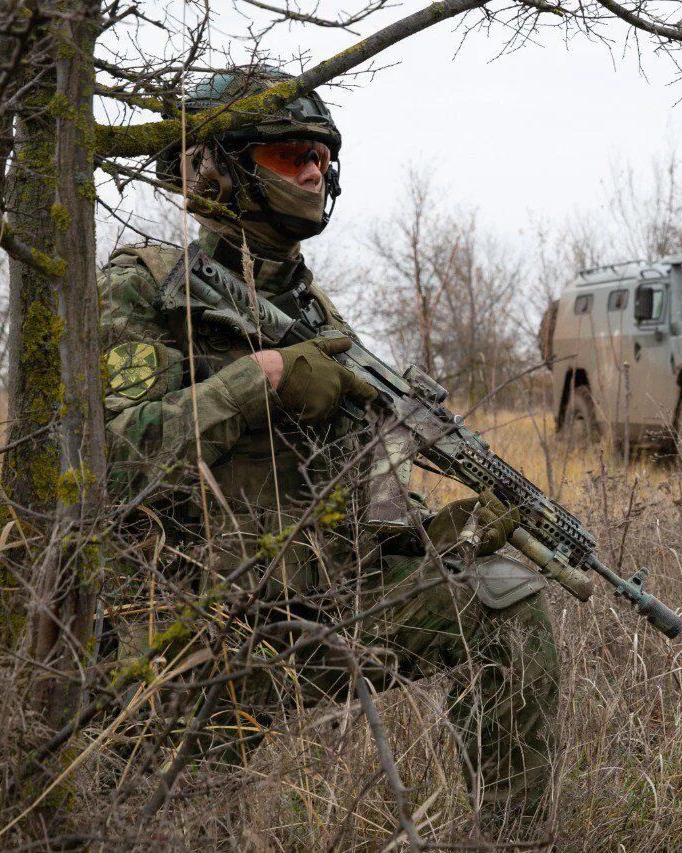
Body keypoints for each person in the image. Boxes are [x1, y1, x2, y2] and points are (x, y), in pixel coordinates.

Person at [98, 66, 558, 825]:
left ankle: (513, 839)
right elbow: (114, 464)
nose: (312, 173)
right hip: (193, 629)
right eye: (288, 155)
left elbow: (362, 469)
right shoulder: (144, 287)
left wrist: (424, 531)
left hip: (317, 607)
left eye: (319, 156)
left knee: (503, 601)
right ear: (218, 165)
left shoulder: (313, 308)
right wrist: (259, 379)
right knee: (181, 827)